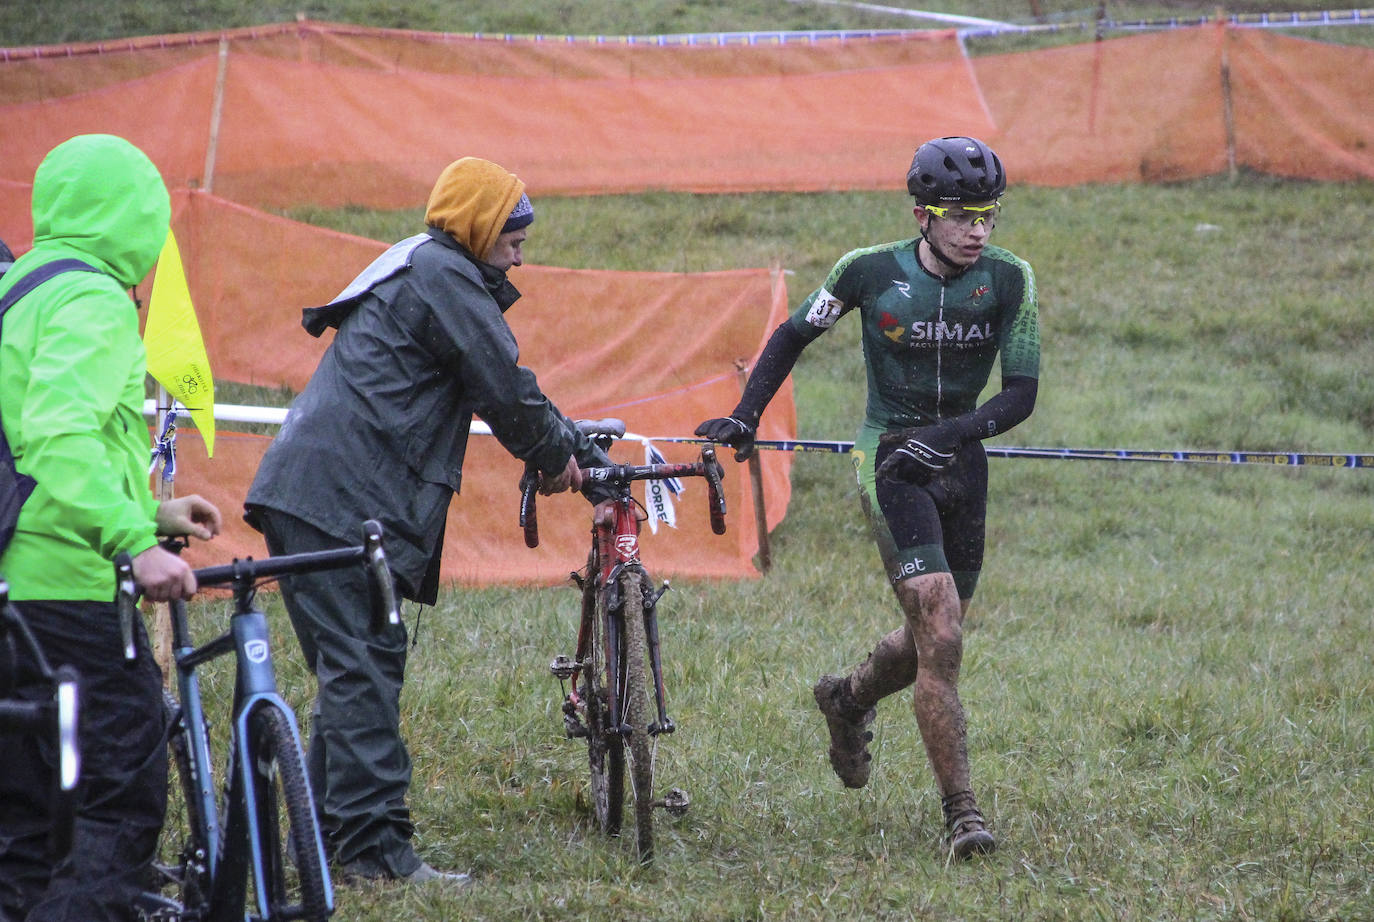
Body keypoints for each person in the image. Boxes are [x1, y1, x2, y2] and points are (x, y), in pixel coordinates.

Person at [243, 156, 614, 884]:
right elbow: (506, 388)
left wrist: (569, 450)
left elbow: (506, 391)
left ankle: (322, 844)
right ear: (476, 228)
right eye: (511, 233)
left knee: (359, 668)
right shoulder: (445, 276)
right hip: (339, 503)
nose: (521, 248)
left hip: (319, 496)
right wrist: (560, 457)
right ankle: (375, 853)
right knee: (363, 671)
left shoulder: (430, 267)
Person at [696, 136, 1040, 860]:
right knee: (941, 633)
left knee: (928, 647)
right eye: (961, 214)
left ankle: (848, 697)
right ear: (923, 213)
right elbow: (792, 336)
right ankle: (964, 815)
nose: (978, 228)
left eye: (989, 213)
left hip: (961, 460)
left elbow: (1021, 396)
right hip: (888, 462)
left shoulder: (1010, 280)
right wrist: (746, 416)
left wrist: (951, 434)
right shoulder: (867, 272)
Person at [0, 135, 223, 921]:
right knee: (119, 804)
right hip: (73, 595)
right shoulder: (93, 299)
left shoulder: (21, 285)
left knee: (27, 830)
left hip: (13, 591)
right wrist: (131, 544)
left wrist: (151, 512)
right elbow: (57, 437)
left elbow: (42, 447)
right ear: (137, 218)